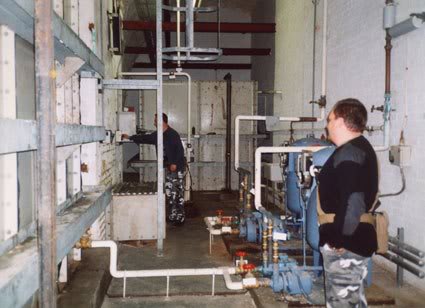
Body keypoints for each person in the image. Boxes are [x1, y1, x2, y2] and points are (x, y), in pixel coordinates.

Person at [318, 98, 378, 307]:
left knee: (343, 303)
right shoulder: (355, 149)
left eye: (330, 119)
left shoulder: (350, 153)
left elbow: (353, 201)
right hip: (351, 239)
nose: (327, 125)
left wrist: (338, 239)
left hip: (346, 244)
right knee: (351, 301)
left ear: (341, 122)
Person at [123, 113, 186, 225]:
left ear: (163, 121)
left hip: (176, 168)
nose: (154, 123)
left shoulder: (172, 134)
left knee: (177, 192)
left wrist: (174, 163)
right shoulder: (158, 135)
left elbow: (180, 151)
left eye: (156, 120)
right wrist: (130, 137)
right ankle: (172, 216)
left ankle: (180, 218)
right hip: (167, 167)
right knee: (169, 192)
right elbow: (145, 138)